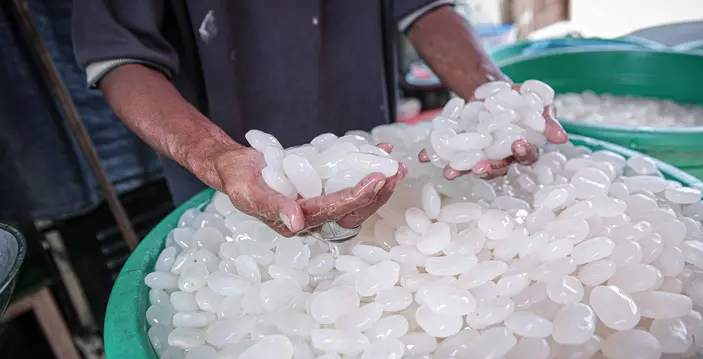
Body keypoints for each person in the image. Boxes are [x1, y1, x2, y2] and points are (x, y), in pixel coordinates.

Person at [72, 1, 567, 238]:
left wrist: (492, 96)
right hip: (228, 178)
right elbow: (121, 60)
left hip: (377, 154)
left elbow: (425, 7)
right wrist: (215, 157)